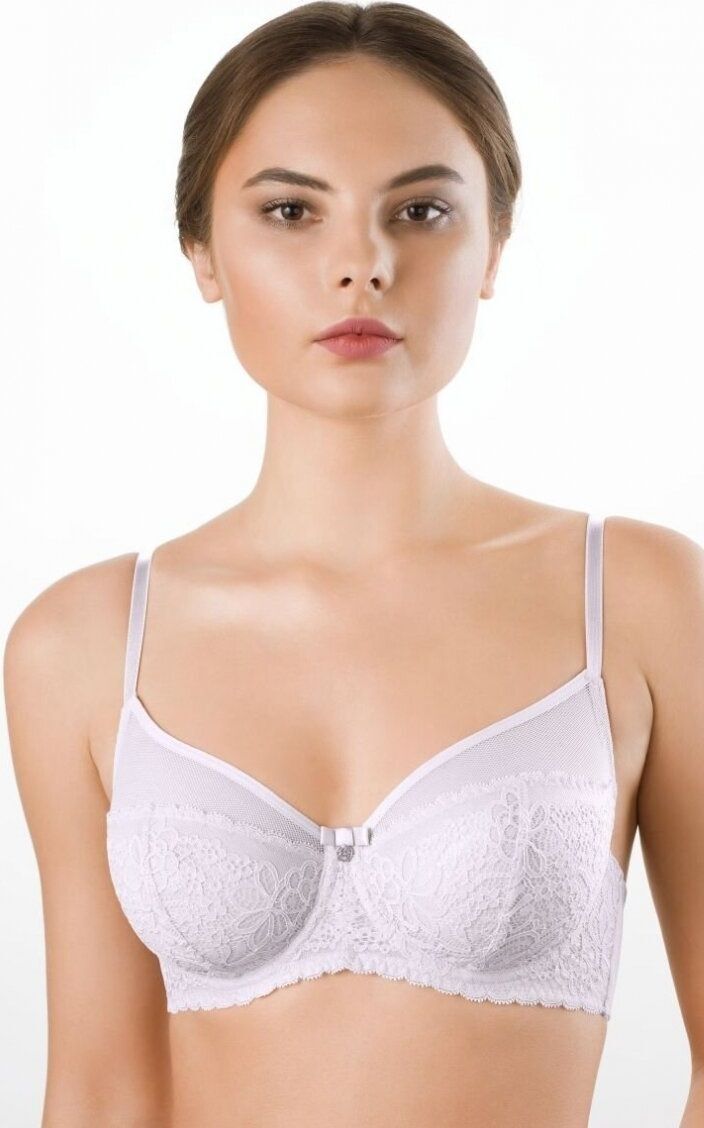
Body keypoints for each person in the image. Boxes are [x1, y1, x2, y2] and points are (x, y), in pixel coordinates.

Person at [5, 3, 703, 1126]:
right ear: (202, 253)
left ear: (493, 246)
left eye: (420, 210)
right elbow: (98, 1092)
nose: (361, 266)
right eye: (290, 211)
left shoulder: (638, 598)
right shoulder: (80, 644)